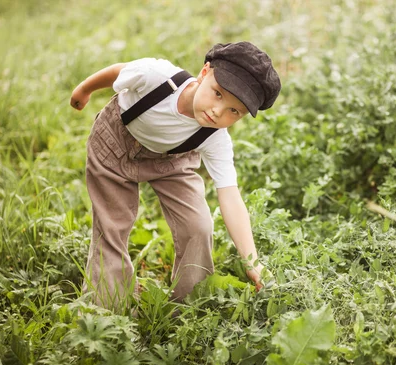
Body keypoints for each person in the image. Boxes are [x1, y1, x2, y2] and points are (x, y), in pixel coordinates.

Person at [69, 42, 281, 311]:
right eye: (217, 94)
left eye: (234, 111)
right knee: (112, 224)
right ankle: (107, 307)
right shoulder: (157, 76)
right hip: (115, 144)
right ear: (204, 72)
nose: (218, 112)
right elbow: (117, 71)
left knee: (198, 224)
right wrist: (83, 90)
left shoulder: (215, 137)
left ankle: (192, 304)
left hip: (172, 161)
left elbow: (230, 195)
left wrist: (252, 261)